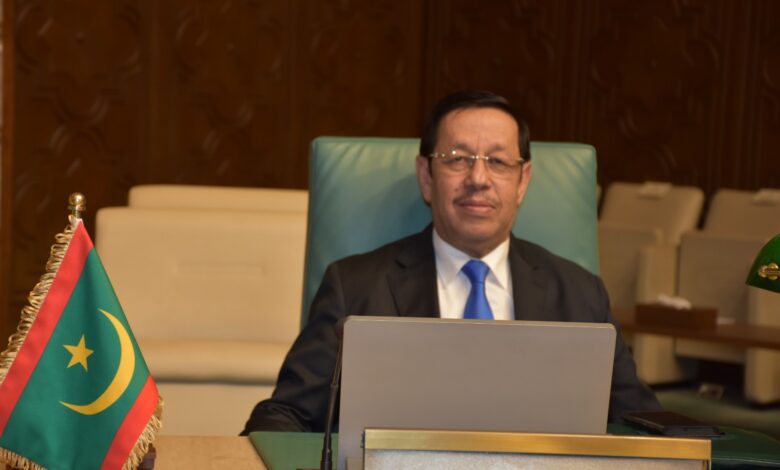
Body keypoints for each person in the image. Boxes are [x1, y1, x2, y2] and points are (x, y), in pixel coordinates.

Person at [241, 90, 661, 434]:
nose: (478, 179)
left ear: (522, 181)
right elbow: (287, 416)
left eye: (498, 162)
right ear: (426, 177)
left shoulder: (581, 295)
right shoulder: (354, 287)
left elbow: (640, 422)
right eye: (457, 158)